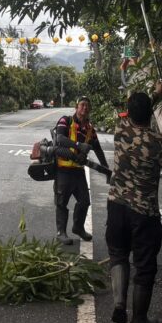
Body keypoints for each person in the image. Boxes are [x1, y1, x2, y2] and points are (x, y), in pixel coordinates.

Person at [106, 88, 162, 323]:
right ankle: (139, 318)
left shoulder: (120, 130)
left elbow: (136, 111)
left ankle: (120, 302)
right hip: (144, 212)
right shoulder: (159, 142)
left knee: (119, 255)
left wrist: (154, 93)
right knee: (145, 265)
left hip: (116, 205)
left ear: (128, 113)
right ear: (150, 114)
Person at [52, 96, 110, 245]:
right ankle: (61, 233)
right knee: (61, 203)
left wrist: (106, 169)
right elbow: (59, 139)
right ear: (77, 107)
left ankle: (78, 228)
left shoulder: (90, 129)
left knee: (84, 202)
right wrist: (78, 145)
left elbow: (98, 150)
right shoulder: (66, 120)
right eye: (82, 105)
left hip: (78, 172)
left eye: (87, 106)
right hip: (63, 170)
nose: (85, 108)